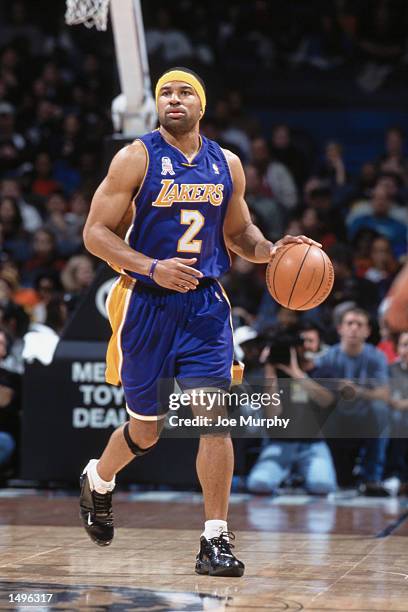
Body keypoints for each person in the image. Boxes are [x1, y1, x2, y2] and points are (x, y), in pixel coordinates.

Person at [79, 67, 319, 577]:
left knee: (216, 419)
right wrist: (151, 267)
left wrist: (273, 251)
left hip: (206, 305)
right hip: (145, 301)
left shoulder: (226, 164)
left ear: (202, 106)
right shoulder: (136, 158)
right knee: (147, 431)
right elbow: (95, 234)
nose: (173, 98)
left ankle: (215, 539)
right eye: (165, 91)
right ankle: (99, 479)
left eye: (185, 91)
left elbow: (240, 233)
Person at [315, 307, 390, 495]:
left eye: (360, 324)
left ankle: (372, 478)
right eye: (350, 323)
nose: (354, 328)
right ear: (340, 328)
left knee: (381, 409)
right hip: (335, 417)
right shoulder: (327, 358)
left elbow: (384, 394)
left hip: (364, 416)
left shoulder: (377, 357)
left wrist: (357, 391)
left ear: (367, 331)